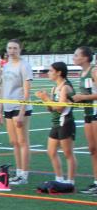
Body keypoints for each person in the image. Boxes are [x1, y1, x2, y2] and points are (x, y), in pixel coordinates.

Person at [0, 39, 33, 186]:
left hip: (19, 106)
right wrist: (0, 111)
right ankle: (18, 172)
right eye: (10, 48)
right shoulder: (6, 66)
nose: (12, 51)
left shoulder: (24, 65)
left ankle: (24, 174)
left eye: (15, 48)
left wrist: (22, 112)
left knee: (22, 141)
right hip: (8, 107)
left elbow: (27, 91)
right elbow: (3, 89)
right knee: (14, 142)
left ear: (20, 50)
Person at [38, 62, 76, 190]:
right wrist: (45, 99)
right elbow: (51, 109)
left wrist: (47, 99)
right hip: (56, 122)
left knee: (68, 153)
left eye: (51, 71)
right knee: (51, 151)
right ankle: (59, 179)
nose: (48, 73)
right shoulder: (54, 88)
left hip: (66, 122)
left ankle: (70, 182)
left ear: (59, 72)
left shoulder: (66, 87)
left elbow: (60, 107)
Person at [72, 46, 97, 195]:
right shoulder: (81, 73)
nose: (74, 58)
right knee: (92, 149)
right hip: (87, 114)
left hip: (95, 112)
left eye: (76, 55)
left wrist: (83, 97)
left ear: (85, 57)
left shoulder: (94, 71)